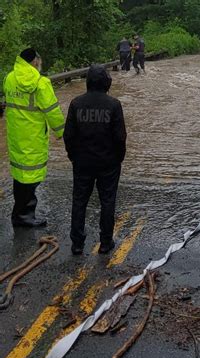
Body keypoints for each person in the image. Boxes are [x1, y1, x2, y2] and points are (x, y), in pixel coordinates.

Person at [64, 65, 126, 255]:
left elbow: (68, 135)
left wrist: (73, 156)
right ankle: (106, 242)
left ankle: (77, 244)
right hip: (108, 163)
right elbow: (120, 137)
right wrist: (118, 159)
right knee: (108, 201)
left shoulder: (76, 103)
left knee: (79, 201)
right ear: (107, 82)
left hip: (82, 162)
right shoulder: (114, 105)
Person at [3, 48, 65, 227]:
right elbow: (52, 111)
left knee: (20, 175)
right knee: (32, 176)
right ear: (34, 62)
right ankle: (24, 216)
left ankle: (19, 213)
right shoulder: (41, 83)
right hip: (33, 136)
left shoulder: (9, 78)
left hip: (15, 136)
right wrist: (61, 132)